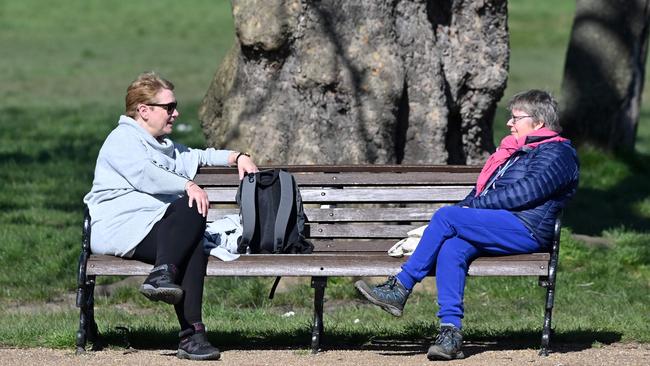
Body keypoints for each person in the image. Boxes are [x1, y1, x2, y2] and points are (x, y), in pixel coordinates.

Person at [355, 90, 579, 361]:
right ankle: (451, 334)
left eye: (516, 118)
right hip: (501, 224)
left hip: (527, 228)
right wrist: (467, 206)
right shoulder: (514, 152)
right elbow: (480, 193)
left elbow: (525, 193)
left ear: (539, 122)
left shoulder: (558, 153)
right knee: (453, 247)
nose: (509, 123)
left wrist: (466, 210)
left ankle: (400, 287)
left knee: (446, 216)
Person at [83, 71, 258, 361]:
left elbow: (201, 156)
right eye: (169, 107)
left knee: (192, 237)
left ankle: (183, 317)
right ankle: (188, 327)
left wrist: (238, 156)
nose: (175, 113)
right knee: (192, 207)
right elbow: (145, 175)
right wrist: (187, 184)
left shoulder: (167, 147)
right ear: (144, 110)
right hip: (117, 229)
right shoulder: (121, 139)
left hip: (152, 228)